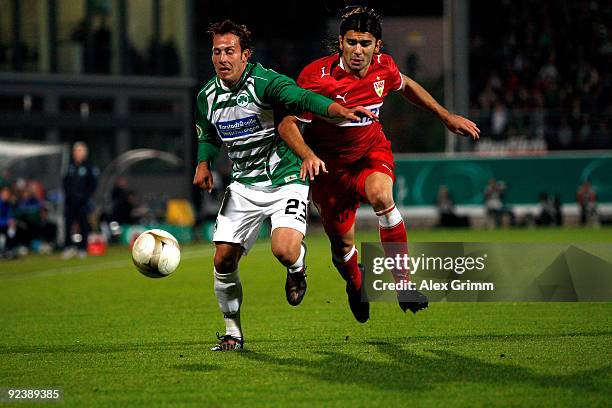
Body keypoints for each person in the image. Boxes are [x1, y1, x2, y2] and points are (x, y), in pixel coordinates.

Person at [280, 6, 480, 323]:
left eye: (365, 43)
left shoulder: (383, 69)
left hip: (370, 153)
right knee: (343, 250)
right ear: (341, 43)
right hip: (329, 171)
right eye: (351, 42)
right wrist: (306, 154)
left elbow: (407, 84)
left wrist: (445, 116)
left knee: (382, 197)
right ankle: (355, 283)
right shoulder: (316, 80)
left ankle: (404, 285)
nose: (357, 50)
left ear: (377, 47)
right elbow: (287, 122)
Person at [192, 19, 376, 351]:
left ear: (245, 55)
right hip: (244, 185)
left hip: (284, 179)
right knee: (222, 260)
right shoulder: (207, 95)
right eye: (217, 52)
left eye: (230, 51)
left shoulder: (266, 82)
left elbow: (304, 98)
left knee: (284, 249)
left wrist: (338, 110)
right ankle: (233, 333)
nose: (222, 58)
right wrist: (203, 162)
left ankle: (297, 267)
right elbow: (206, 133)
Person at [62, 141, 98, 259]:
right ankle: (68, 247)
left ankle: (82, 249)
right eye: (76, 151)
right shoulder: (69, 166)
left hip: (83, 203)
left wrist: (84, 197)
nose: (78, 153)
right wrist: (70, 195)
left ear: (85, 153)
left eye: (80, 151)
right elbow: (65, 182)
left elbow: (93, 185)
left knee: (83, 225)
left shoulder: (89, 167)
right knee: (68, 225)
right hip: (70, 202)